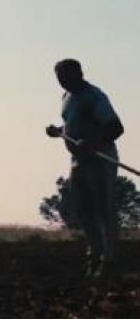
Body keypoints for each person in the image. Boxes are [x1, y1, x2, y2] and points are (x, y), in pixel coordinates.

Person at [46, 59, 124, 278]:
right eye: (59, 78)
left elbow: (115, 128)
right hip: (78, 161)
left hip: (100, 159)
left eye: (66, 76)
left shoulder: (94, 97)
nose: (62, 81)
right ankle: (94, 253)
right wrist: (59, 131)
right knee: (82, 208)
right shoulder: (67, 98)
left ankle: (108, 260)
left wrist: (93, 142)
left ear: (79, 74)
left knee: (103, 208)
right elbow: (74, 125)